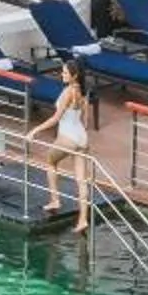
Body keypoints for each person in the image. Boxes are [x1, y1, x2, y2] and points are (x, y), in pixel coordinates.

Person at [31, 70, 91, 230]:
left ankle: (55, 199)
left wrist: (35, 130)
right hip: (82, 137)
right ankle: (83, 219)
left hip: (68, 137)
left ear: (75, 75)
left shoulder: (68, 92)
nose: (62, 74)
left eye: (65, 72)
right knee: (81, 180)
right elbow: (85, 122)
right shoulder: (83, 92)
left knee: (50, 161)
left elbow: (55, 118)